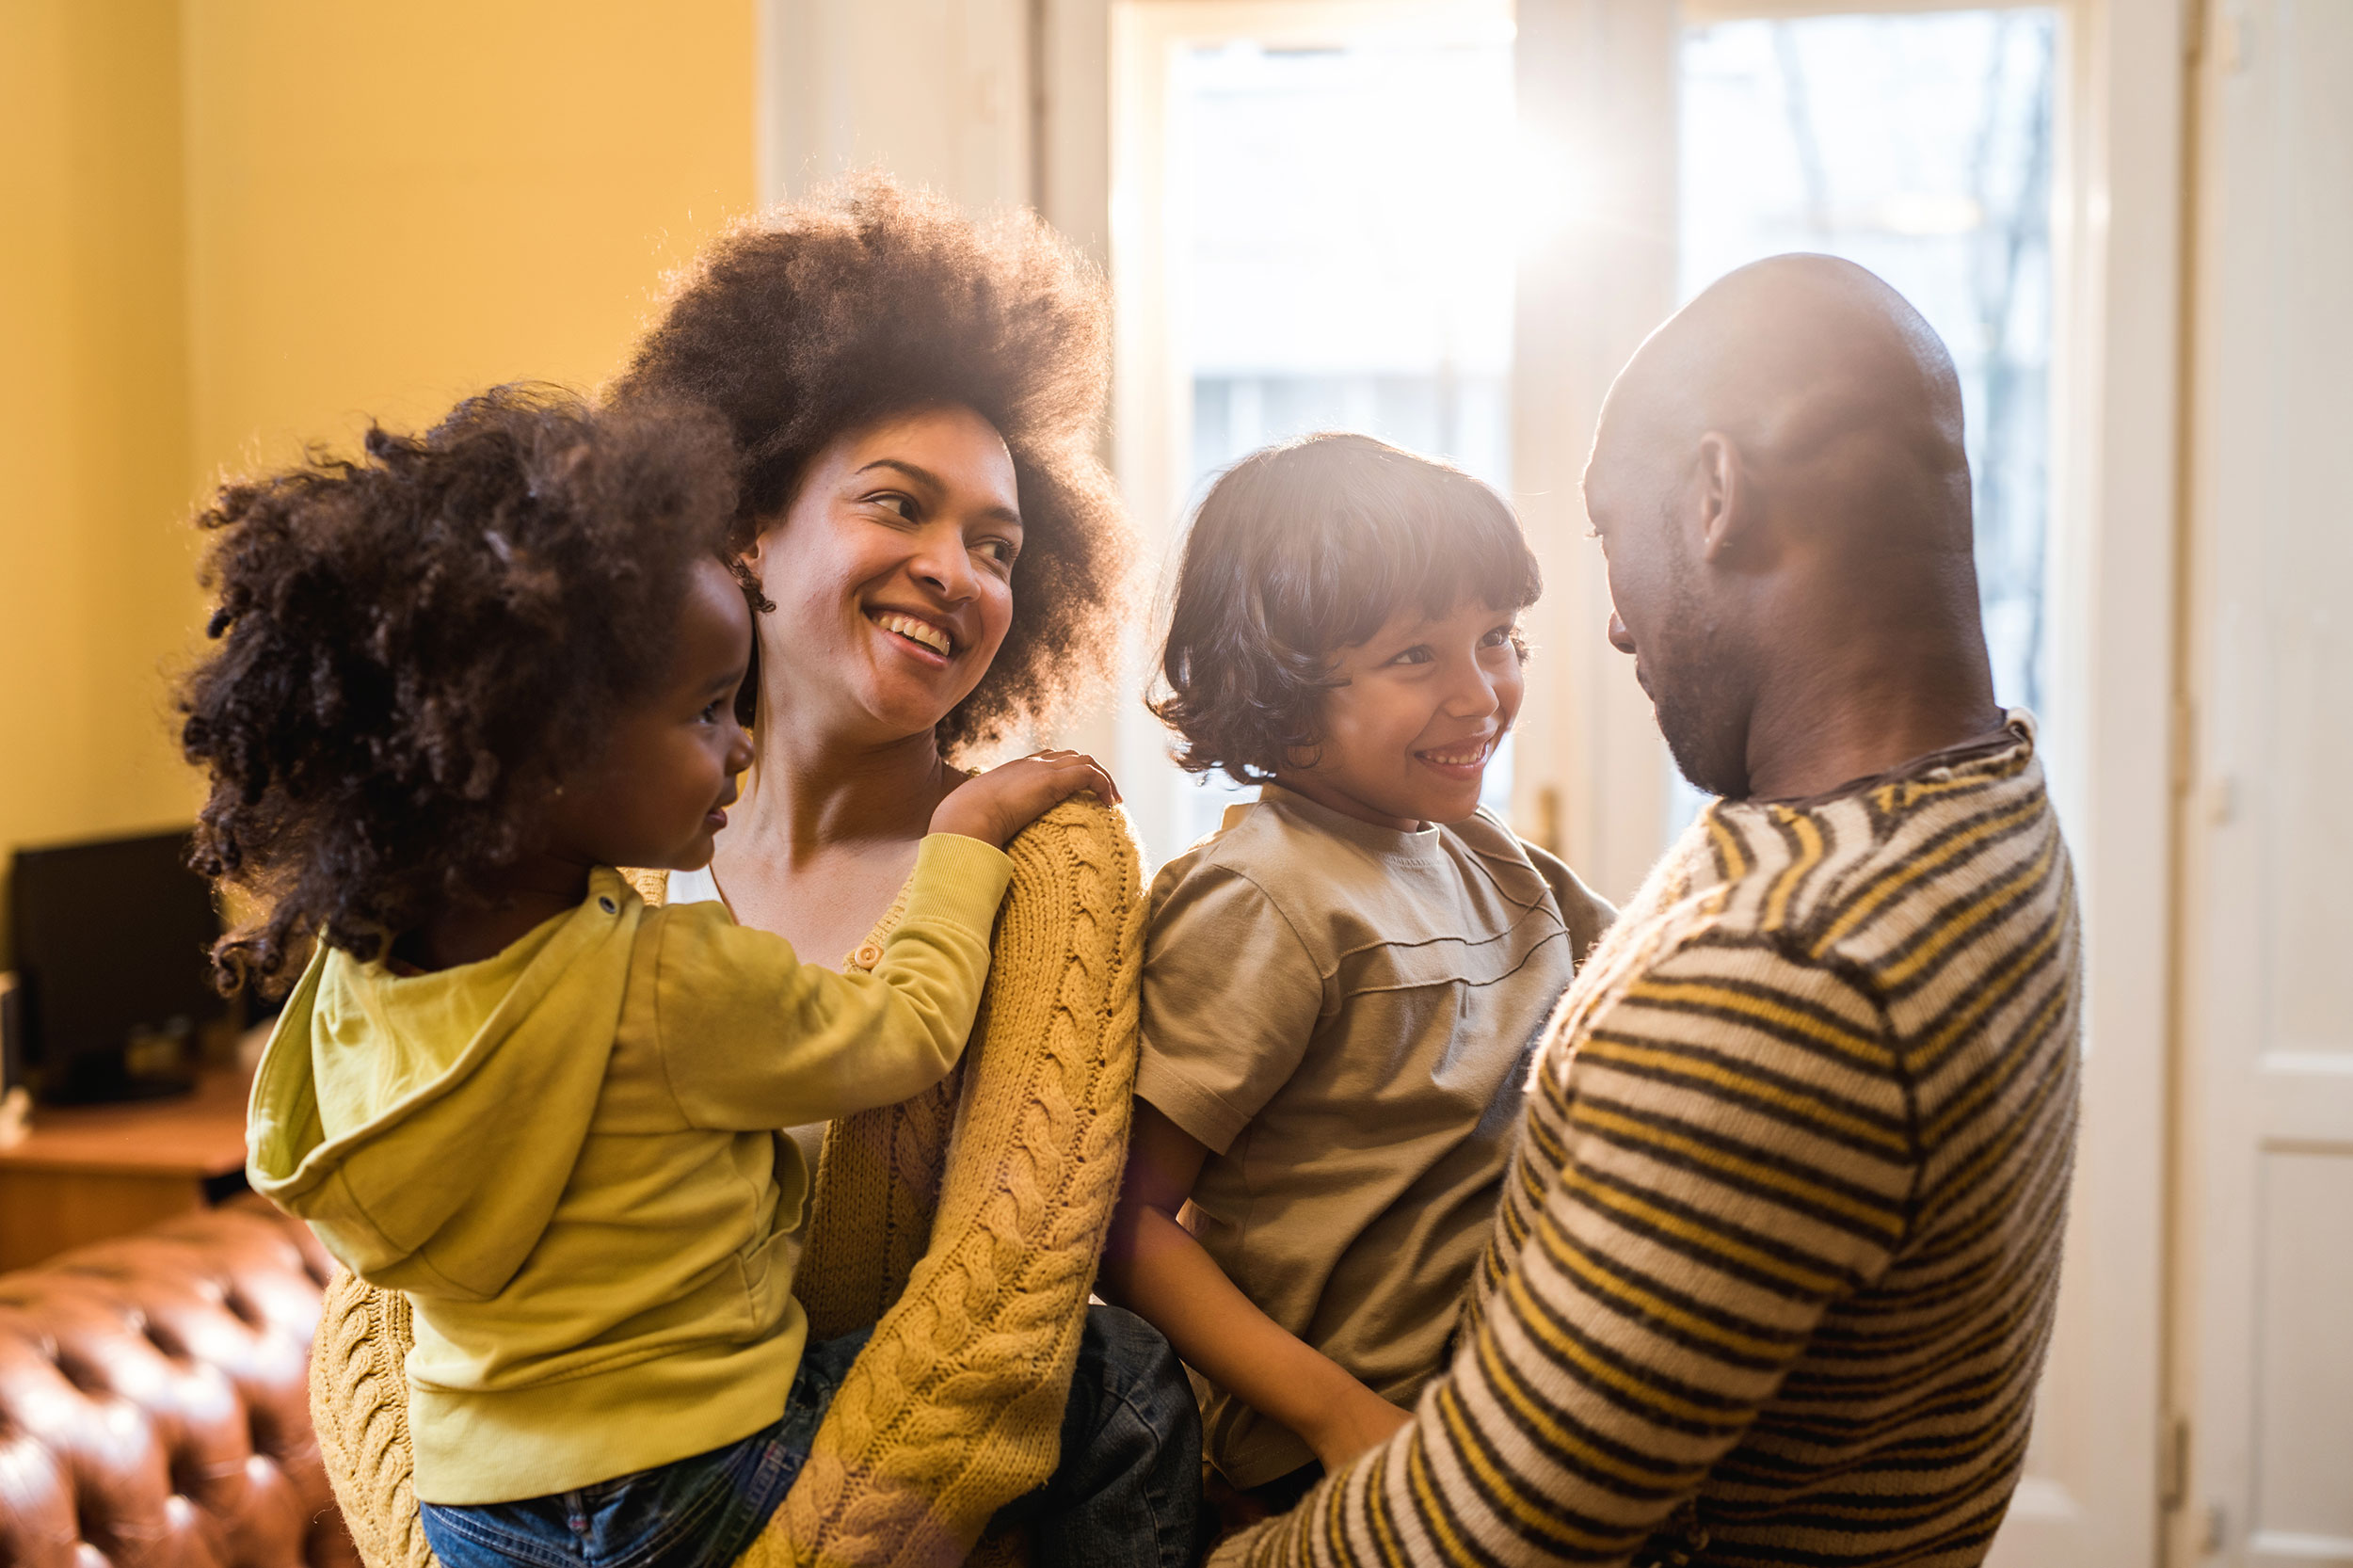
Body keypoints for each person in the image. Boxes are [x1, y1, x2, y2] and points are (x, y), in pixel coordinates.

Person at [304, 178, 1204, 1568]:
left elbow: (1005, 1313)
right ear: (745, 525)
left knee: (1116, 1369)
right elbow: (386, 1302)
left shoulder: (1046, 855)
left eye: (998, 547)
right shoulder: (566, 848)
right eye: (898, 504)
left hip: (875, 1533)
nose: (957, 572)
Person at [1212, 254, 2083, 1568]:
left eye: (1612, 535)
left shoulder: (1788, 968)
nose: (1616, 627)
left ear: (1715, 497)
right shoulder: (1981, 803)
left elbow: (1478, 1540)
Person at [1097, 435, 1613, 1512]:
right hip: (1335, 1448)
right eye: (1416, 656)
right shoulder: (1261, 896)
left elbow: (1664, 975)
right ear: (1279, 689)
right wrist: (1336, 1417)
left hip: (1511, 1393)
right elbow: (1124, 1222)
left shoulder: (1488, 855)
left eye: (1496, 637)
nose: (1481, 693)